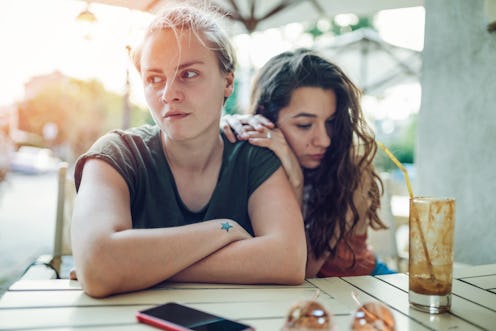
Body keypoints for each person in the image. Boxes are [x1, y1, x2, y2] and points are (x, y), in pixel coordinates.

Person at [71, 3, 306, 298]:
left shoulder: (253, 154)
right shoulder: (117, 155)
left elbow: (289, 260)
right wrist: (224, 229)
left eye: (189, 74)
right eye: (154, 78)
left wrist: (136, 269)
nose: (169, 93)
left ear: (228, 83)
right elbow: (98, 265)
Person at [222, 48, 395, 277]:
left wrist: (296, 179)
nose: (324, 140)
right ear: (265, 118)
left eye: (331, 122)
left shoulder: (350, 173)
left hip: (364, 289)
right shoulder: (257, 159)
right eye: (304, 125)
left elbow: (302, 271)